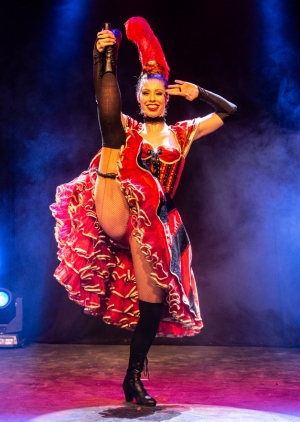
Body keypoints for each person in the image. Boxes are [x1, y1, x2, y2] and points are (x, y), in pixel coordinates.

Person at [50, 17, 236, 407]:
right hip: (116, 206)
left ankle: (133, 378)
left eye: (158, 94)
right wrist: (104, 56)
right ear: (138, 98)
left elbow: (231, 111)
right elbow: (105, 105)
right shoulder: (129, 126)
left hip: (157, 226)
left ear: (166, 99)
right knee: (113, 137)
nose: (152, 98)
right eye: (146, 93)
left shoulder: (184, 134)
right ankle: (107, 57)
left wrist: (197, 92)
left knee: (151, 307)